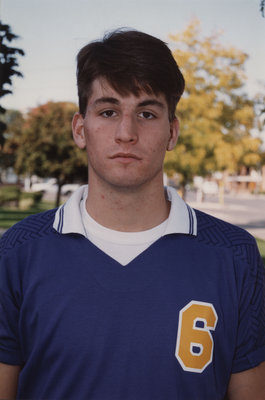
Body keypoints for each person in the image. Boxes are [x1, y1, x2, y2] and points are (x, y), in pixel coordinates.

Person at [0, 29, 264, 400]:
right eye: (108, 111)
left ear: (171, 133)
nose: (126, 132)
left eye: (146, 113)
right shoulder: (15, 254)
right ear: (80, 129)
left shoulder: (236, 256)